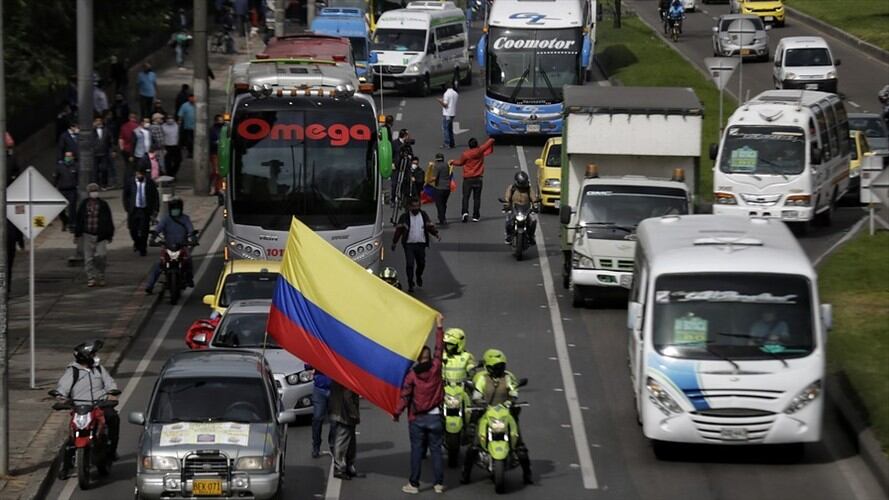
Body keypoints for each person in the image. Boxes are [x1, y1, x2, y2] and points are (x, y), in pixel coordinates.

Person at [462, 349, 532, 485]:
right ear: (489, 367)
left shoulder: (508, 377)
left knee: (521, 447)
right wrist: (481, 403)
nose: (499, 369)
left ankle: (527, 473)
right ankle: (466, 474)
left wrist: (510, 402)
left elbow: (513, 391)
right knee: (473, 447)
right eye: (496, 367)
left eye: (501, 366)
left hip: (506, 413)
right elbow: (476, 395)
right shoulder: (482, 379)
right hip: (487, 413)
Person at [394, 314, 446, 495]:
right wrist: (438, 326)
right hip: (435, 417)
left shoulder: (412, 375)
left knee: (416, 451)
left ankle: (414, 484)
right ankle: (438, 484)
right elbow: (440, 348)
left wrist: (397, 412)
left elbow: (405, 396)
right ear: (430, 357)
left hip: (416, 419)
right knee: (436, 451)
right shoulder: (436, 367)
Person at [54, 341, 120, 478]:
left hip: (99, 406)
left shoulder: (99, 369)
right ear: (85, 357)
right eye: (93, 354)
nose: (96, 356)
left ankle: (112, 451)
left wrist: (111, 393)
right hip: (81, 409)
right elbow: (62, 389)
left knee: (113, 417)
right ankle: (66, 467)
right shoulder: (73, 371)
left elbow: (110, 383)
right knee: (72, 437)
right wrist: (61, 398)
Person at [145, 198, 196, 294]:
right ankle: (150, 286)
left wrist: (193, 238)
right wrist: (153, 237)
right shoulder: (166, 219)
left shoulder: (185, 218)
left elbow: (190, 229)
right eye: (173, 208)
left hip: (182, 246)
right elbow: (158, 228)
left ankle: (189, 279)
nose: (175, 210)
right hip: (168, 247)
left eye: (177, 208)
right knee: (158, 265)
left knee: (188, 260)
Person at [391, 198, 440, 292]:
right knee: (410, 264)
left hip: (421, 244)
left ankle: (418, 275)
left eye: (418, 206)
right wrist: (394, 242)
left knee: (421, 263)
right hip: (409, 245)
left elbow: (429, 226)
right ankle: (410, 283)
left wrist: (436, 234)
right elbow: (399, 231)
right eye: (414, 206)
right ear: (409, 207)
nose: (416, 208)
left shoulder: (423, 215)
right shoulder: (404, 217)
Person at [74, 183, 114, 287]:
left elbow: (109, 220)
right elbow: (79, 220)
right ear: (88, 193)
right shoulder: (84, 204)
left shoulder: (103, 204)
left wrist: (110, 235)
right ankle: (90, 278)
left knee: (102, 256)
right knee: (88, 258)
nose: (94, 193)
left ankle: (101, 275)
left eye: (95, 190)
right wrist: (77, 234)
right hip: (87, 234)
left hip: (100, 235)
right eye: (92, 191)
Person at [451, 137, 495, 222]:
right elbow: (491, 141)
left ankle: (465, 212)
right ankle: (476, 215)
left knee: (465, 197)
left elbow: (460, 163)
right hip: (478, 178)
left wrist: (452, 162)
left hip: (468, 179)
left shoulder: (465, 154)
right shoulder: (480, 150)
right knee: (477, 198)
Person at [329, 380, 363, 480]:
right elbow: (347, 396)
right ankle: (339, 467)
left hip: (342, 410)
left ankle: (349, 465)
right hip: (344, 412)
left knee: (351, 440)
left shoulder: (342, 373)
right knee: (343, 439)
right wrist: (354, 413)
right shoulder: (346, 376)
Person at [122, 165, 159, 256]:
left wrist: (155, 210)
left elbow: (155, 197)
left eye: (142, 174)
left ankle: (143, 248)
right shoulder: (130, 182)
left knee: (144, 230)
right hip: (133, 210)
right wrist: (127, 207)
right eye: (138, 174)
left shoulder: (150, 183)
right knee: (133, 230)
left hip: (144, 210)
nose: (140, 176)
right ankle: (137, 242)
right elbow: (125, 195)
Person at [307, 365, 337, 458]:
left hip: (335, 390)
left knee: (335, 421)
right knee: (317, 418)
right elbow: (307, 365)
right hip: (320, 389)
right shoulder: (320, 351)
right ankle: (316, 446)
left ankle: (333, 445)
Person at [503, 171, 539, 245]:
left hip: (526, 209)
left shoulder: (529, 189)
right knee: (508, 220)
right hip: (515, 209)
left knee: (533, 220)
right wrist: (506, 204)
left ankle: (531, 236)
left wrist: (535, 206)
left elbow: (533, 198)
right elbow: (507, 196)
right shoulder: (512, 188)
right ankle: (508, 235)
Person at [54, 152, 80, 231]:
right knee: (60, 209)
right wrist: (54, 186)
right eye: (66, 156)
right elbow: (55, 178)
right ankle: (65, 221)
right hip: (62, 190)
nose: (68, 158)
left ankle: (72, 225)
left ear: (72, 157)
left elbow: (79, 177)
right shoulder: (60, 167)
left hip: (72, 190)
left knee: (72, 208)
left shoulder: (76, 166)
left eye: (69, 156)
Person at [92, 116, 114, 188]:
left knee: (104, 169)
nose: (99, 122)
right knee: (95, 170)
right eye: (97, 121)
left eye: (100, 120)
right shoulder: (92, 131)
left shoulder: (106, 130)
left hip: (104, 152)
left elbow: (111, 140)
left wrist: (113, 150)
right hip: (94, 153)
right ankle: (96, 184)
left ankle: (104, 184)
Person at [431, 153, 451, 225]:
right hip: (447, 188)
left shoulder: (437, 166)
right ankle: (443, 217)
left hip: (439, 188)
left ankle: (442, 219)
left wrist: (427, 181)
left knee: (439, 204)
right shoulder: (446, 165)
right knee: (444, 204)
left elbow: (434, 178)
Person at [438, 82, 459, 149]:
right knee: (450, 129)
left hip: (447, 113)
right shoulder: (455, 93)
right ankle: (452, 143)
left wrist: (440, 101)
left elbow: (445, 105)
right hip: (453, 113)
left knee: (445, 129)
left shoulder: (446, 94)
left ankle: (447, 143)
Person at [209, 114, 225, 194]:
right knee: (216, 171)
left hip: (223, 152)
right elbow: (210, 141)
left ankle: (219, 188)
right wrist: (216, 142)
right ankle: (212, 187)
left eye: (222, 120)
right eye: (219, 120)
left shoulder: (225, 129)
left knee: (221, 171)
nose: (221, 122)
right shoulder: (212, 130)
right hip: (215, 152)